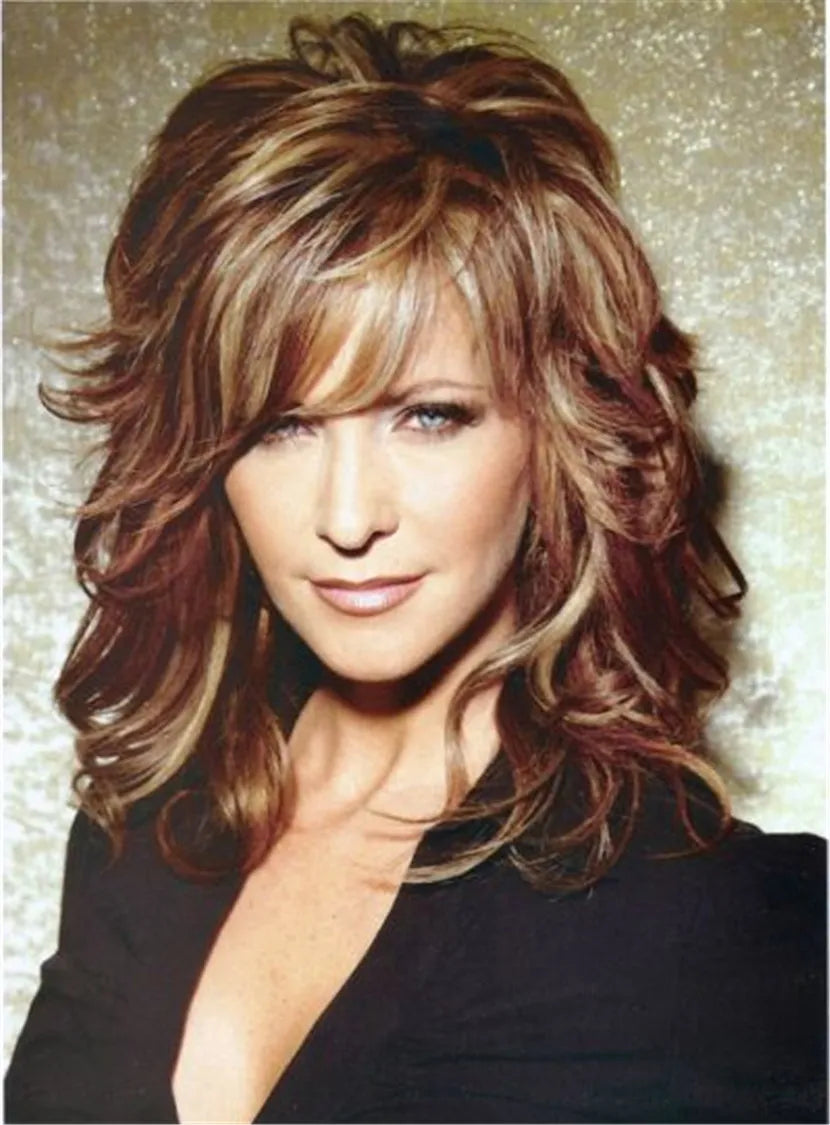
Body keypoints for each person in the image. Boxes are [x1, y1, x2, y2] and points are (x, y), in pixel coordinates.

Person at [5, 13, 825, 1125]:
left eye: (429, 415)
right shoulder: (145, 830)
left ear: (561, 432)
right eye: (280, 426)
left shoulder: (714, 922)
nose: (347, 518)